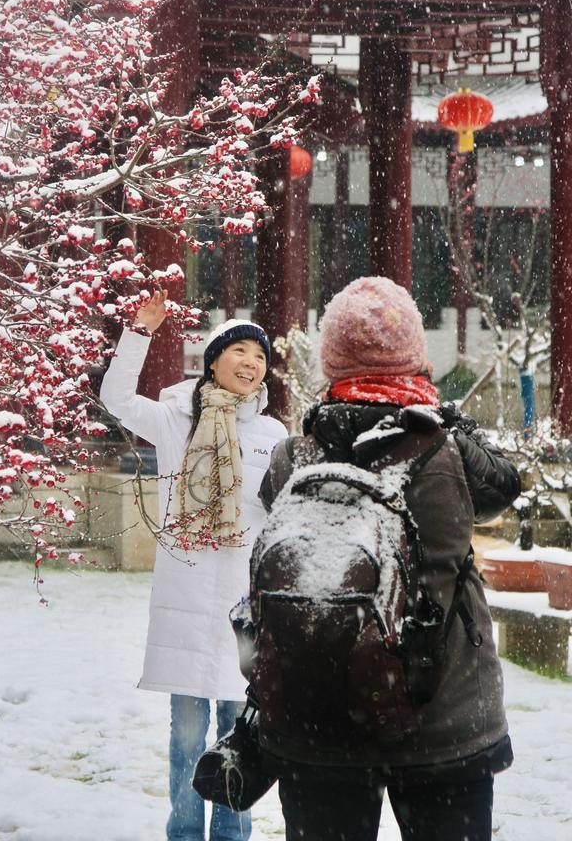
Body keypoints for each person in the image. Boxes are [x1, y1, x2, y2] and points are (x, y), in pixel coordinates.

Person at [258, 276, 521, 841]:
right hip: (442, 717)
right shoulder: (445, 448)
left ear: (331, 359)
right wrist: (448, 418)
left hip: (316, 717)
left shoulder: (292, 455)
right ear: (414, 358)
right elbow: (504, 487)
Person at [99, 290, 287, 841]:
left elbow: (277, 512)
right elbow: (115, 398)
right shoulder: (176, 420)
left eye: (260, 356)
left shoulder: (273, 436)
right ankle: (183, 833)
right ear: (213, 359)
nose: (251, 363)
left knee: (239, 736)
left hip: (242, 607)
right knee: (185, 737)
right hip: (185, 596)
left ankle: (232, 835)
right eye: (241, 351)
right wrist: (139, 332)